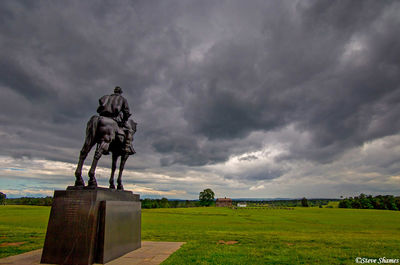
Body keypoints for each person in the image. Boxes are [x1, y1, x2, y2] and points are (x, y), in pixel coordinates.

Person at [97, 86, 135, 154]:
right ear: (120, 92)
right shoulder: (123, 99)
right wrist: (124, 120)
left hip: (101, 116)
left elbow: (99, 107)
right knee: (130, 130)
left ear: (114, 91)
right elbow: (126, 112)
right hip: (114, 118)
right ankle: (127, 147)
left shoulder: (105, 97)